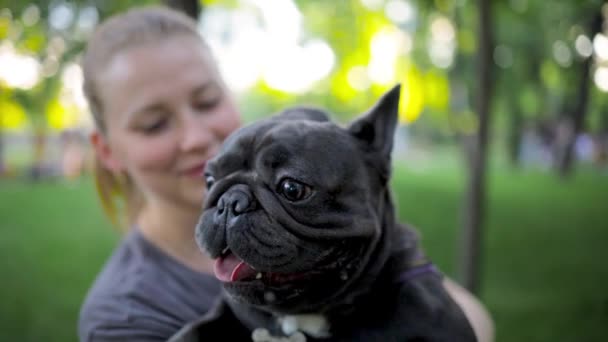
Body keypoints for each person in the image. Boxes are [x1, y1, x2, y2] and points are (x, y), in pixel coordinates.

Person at [78, 6, 493, 342]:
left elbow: (471, 318)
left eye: (207, 101)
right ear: (107, 150)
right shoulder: (125, 319)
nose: (196, 137)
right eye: (154, 124)